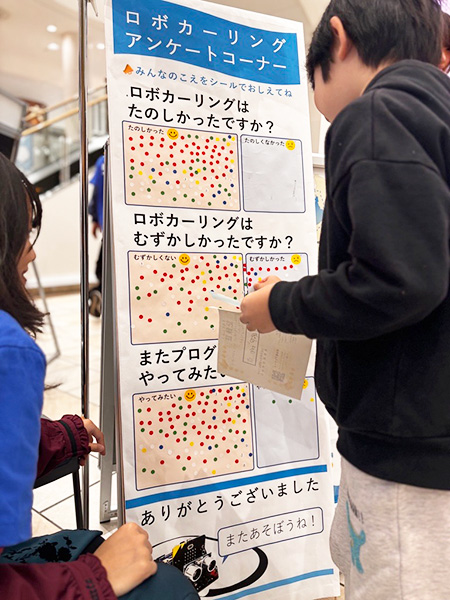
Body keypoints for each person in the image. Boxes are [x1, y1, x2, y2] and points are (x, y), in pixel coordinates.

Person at [240, 1, 450, 598]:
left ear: (337, 38)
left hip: (403, 444)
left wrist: (281, 305)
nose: (317, 101)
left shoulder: (377, 114)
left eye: (313, 80)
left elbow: (397, 279)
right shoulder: (434, 115)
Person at [0, 153, 199, 600]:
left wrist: (57, 437)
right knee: (169, 589)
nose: (32, 252)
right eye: (23, 235)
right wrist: (94, 578)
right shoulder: (10, 353)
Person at [88, 154, 105, 317]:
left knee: (103, 265)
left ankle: (99, 291)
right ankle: (100, 292)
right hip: (122, 225)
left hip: (107, 222)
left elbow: (96, 191)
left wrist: (94, 218)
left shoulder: (102, 160)